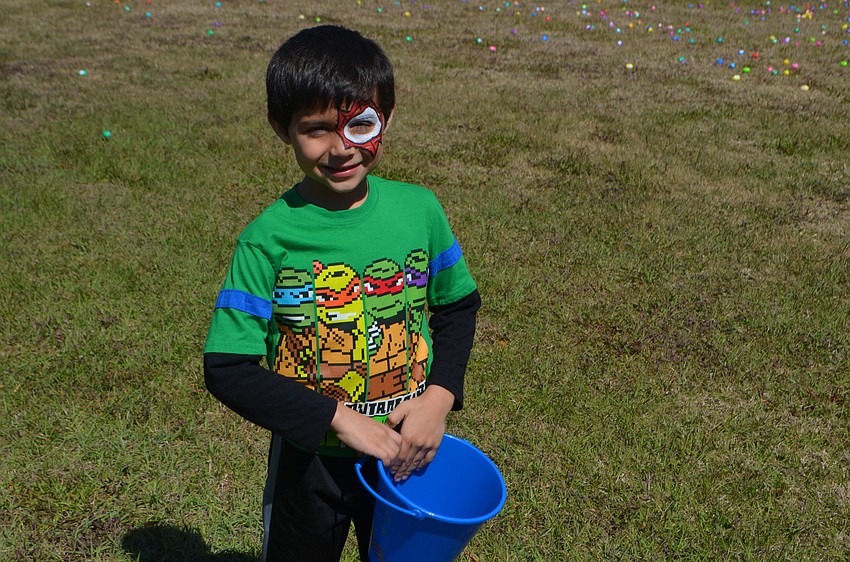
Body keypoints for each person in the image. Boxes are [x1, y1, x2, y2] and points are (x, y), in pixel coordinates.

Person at [202, 25, 481, 562]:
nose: (340, 148)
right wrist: (338, 419)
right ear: (281, 129)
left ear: (389, 116)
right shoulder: (268, 240)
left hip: (407, 451)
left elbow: (457, 305)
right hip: (309, 466)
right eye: (316, 129)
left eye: (361, 124)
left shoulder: (420, 212)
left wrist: (439, 398)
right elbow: (227, 367)